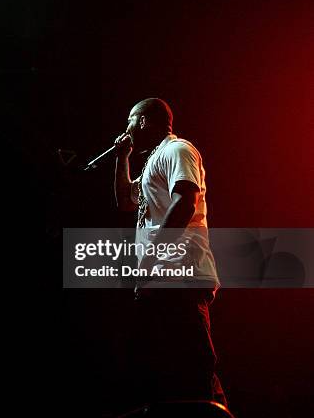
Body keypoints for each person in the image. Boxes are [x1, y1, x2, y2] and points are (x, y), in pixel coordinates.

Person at [113, 98, 228, 408]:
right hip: (160, 280)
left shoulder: (177, 150)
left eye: (130, 121)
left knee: (194, 366)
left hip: (180, 274)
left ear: (143, 122)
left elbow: (185, 202)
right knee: (168, 371)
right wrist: (121, 157)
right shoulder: (153, 162)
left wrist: (149, 258)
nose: (126, 129)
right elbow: (125, 201)